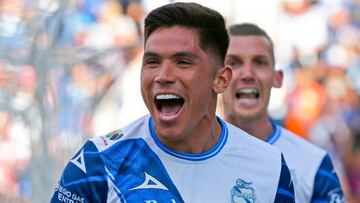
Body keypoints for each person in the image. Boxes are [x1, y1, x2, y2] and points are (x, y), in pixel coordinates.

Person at [51, 3, 295, 202]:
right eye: (153, 62)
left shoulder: (270, 168)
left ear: (221, 80)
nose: (163, 76)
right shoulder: (98, 162)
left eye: (183, 62)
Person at [222, 23, 345, 203]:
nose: (247, 74)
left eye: (259, 62)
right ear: (218, 77)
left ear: (277, 78)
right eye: (234, 63)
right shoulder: (188, 156)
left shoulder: (314, 164)